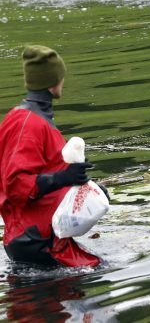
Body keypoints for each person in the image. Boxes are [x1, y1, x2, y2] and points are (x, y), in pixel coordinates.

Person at [0, 45, 101, 268]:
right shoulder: (26, 123)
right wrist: (64, 178)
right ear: (52, 81)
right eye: (61, 76)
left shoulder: (38, 119)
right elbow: (16, 185)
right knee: (95, 272)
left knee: (96, 268)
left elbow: (49, 172)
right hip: (34, 239)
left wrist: (87, 187)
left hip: (47, 235)